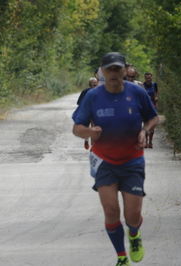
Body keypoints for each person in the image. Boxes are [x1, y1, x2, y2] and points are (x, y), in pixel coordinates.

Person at [72, 52, 159, 266]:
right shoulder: (93, 96)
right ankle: (121, 257)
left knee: (132, 216)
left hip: (132, 161)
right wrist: (89, 133)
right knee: (111, 211)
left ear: (124, 70)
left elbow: (154, 117)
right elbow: (77, 128)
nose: (113, 73)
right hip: (105, 161)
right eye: (109, 69)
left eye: (117, 69)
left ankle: (134, 234)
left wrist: (144, 130)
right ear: (102, 71)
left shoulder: (137, 92)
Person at [143, 72, 159, 148]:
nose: (148, 79)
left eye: (149, 78)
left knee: (152, 126)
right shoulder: (142, 85)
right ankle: (145, 141)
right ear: (145, 78)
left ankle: (150, 142)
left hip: (153, 107)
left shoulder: (154, 84)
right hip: (145, 107)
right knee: (146, 125)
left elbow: (156, 94)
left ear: (151, 78)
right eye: (147, 78)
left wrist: (156, 99)